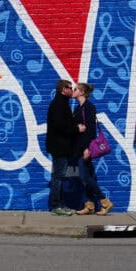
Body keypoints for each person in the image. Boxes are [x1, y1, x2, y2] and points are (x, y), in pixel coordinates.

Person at [72, 83, 113, 216]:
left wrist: (87, 149)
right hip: (79, 147)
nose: (73, 91)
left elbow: (90, 132)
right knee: (87, 177)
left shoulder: (88, 108)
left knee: (85, 177)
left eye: (75, 89)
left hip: (84, 149)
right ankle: (89, 205)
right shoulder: (79, 108)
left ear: (82, 92)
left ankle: (105, 201)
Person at [45, 79, 83, 215]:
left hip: (61, 146)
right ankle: (56, 206)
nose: (72, 90)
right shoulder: (59, 105)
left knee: (59, 176)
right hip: (59, 147)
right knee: (58, 177)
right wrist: (76, 128)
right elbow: (61, 126)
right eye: (69, 87)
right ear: (63, 90)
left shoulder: (62, 103)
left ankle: (60, 204)